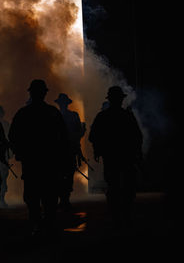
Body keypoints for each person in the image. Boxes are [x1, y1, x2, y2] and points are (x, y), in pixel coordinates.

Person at [9, 79, 71, 236]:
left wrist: (20, 153)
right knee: (47, 196)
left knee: (34, 197)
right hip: (48, 163)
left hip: (34, 163)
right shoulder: (52, 113)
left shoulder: (24, 113)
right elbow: (63, 138)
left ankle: (39, 224)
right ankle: (46, 225)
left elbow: (13, 137)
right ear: (44, 93)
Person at [89, 86, 143, 228]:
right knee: (126, 187)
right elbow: (137, 137)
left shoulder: (103, 117)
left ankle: (117, 215)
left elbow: (93, 136)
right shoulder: (127, 116)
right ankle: (124, 214)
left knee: (114, 186)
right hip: (125, 157)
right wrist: (138, 154)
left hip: (113, 157)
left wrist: (98, 149)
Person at [54, 93, 86, 211]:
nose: (62, 105)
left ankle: (65, 199)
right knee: (59, 176)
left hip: (69, 150)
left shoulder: (72, 116)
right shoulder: (54, 115)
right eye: (61, 103)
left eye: (64, 103)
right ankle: (62, 199)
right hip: (57, 152)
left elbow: (78, 134)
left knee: (68, 176)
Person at [0, 105, 12, 208]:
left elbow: (9, 140)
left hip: (2, 156)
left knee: (3, 179)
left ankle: (1, 199)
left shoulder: (5, 124)